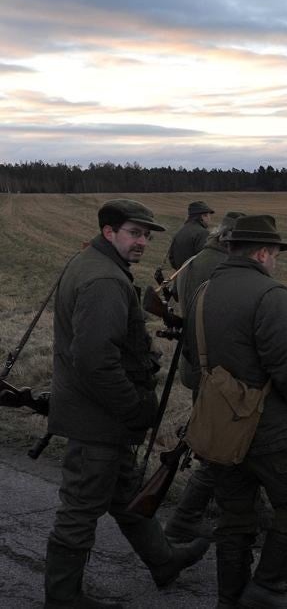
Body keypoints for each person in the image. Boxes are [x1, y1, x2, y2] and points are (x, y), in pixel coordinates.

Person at [45, 199, 209, 607]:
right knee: (81, 509)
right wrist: (133, 407)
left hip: (98, 414)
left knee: (125, 492)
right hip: (97, 417)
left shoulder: (91, 263)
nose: (142, 243)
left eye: (146, 236)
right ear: (109, 232)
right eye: (134, 233)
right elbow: (95, 360)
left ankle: (164, 560)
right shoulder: (104, 280)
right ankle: (63, 597)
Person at [182, 214, 287, 606]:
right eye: (275, 253)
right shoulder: (270, 295)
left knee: (235, 518)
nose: (275, 260)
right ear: (263, 252)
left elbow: (194, 359)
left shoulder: (203, 293)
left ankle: (230, 599)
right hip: (272, 431)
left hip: (221, 430)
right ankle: (267, 588)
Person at [163, 210, 245, 543]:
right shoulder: (224, 267)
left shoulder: (194, 261)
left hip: (194, 363)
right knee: (217, 442)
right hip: (218, 370)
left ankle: (202, 507)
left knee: (210, 436)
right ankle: (194, 513)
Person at [167, 200, 214, 269]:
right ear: (203, 216)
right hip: (195, 277)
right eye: (208, 216)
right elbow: (204, 259)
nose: (209, 219)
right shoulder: (203, 233)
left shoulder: (180, 231)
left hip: (180, 276)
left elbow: (172, 258)